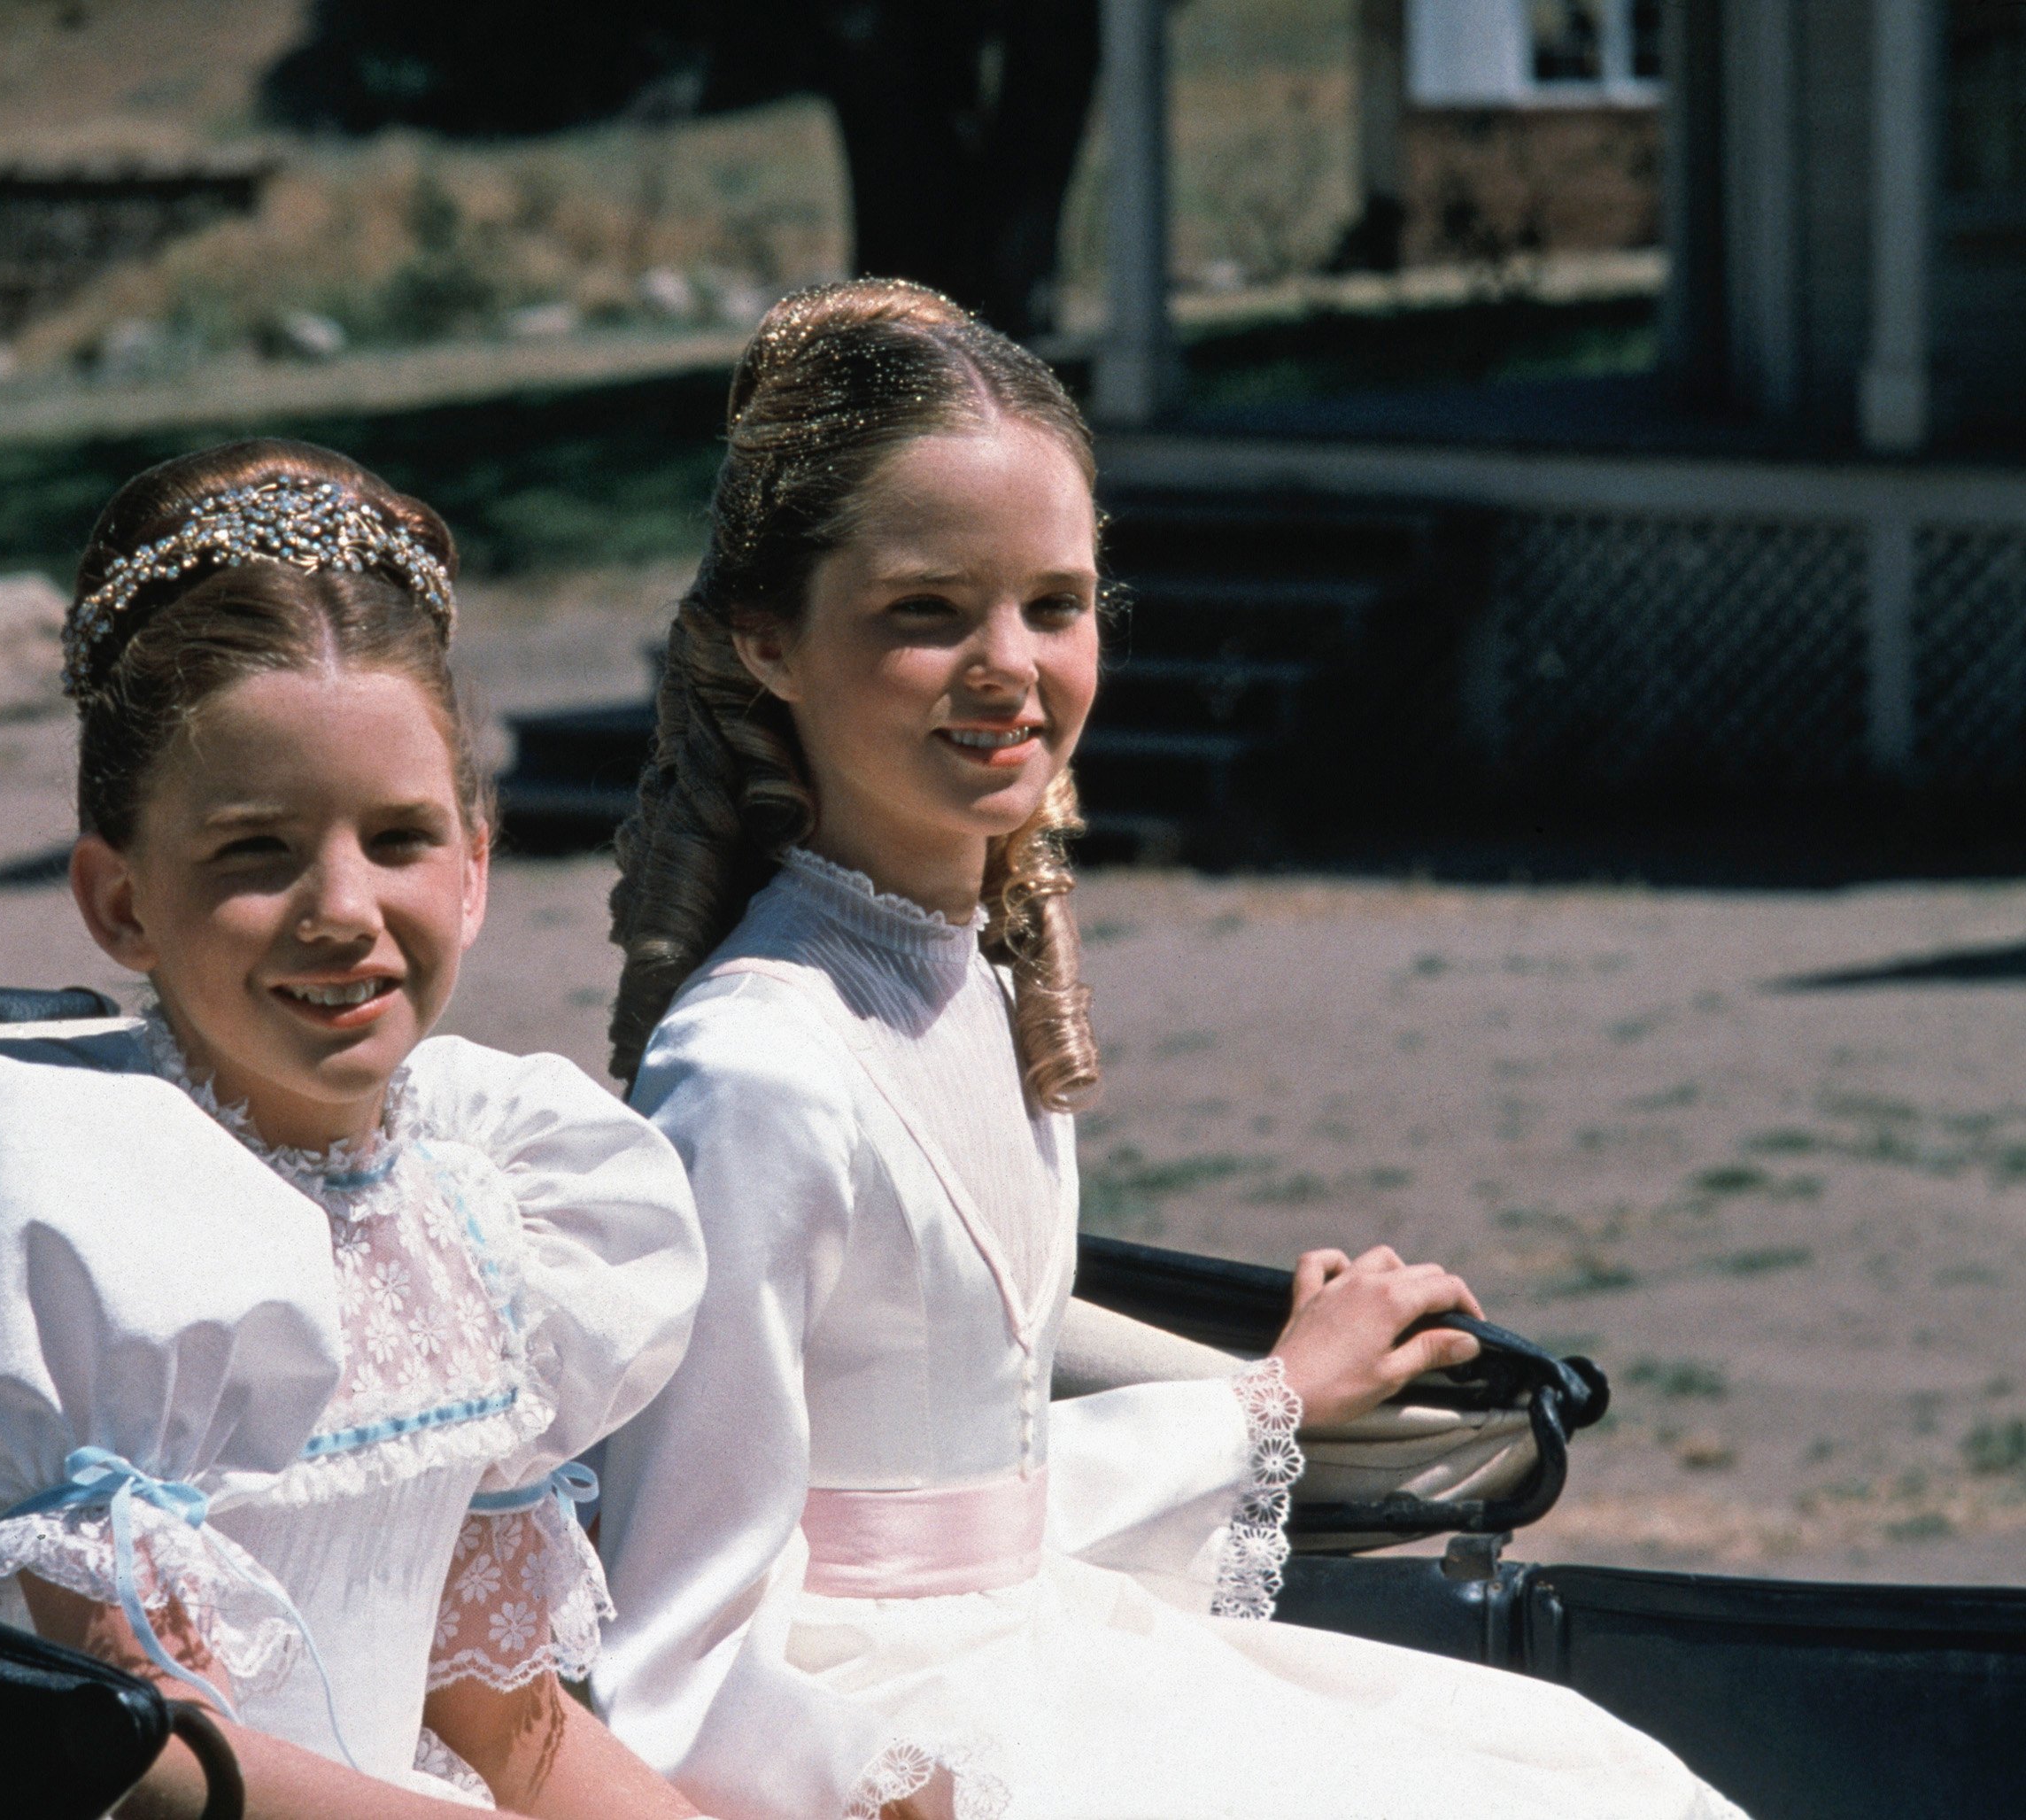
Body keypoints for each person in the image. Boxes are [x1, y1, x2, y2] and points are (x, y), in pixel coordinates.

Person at [589, 282, 1744, 1820]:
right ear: (768, 642)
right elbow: (674, 1636)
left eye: (1053, 606)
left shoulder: (969, 984)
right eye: (926, 611)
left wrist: (1265, 1399)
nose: (1009, 667)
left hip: (1038, 1645)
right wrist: (887, 1784)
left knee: (1601, 1780)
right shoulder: (755, 1071)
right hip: (899, 1744)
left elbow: (971, 1501)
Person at [0, 440, 714, 1818]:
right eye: (254, 849)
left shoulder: (499, 1213)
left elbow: (506, 1723)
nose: (342, 908)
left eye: (401, 839)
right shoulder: (85, 1216)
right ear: (120, 900)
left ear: (477, 870)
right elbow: (156, 1758)